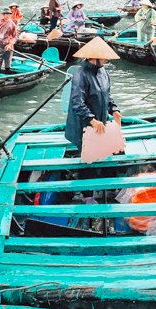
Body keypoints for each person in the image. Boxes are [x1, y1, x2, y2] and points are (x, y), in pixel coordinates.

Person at [63, 37, 122, 202]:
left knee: (106, 154)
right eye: (102, 57)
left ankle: (110, 188)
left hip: (100, 123)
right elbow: (77, 103)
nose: (104, 60)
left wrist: (114, 109)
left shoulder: (103, 72)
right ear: (93, 57)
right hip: (84, 126)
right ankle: (87, 195)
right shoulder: (80, 75)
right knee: (88, 159)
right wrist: (91, 120)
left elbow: (107, 96)